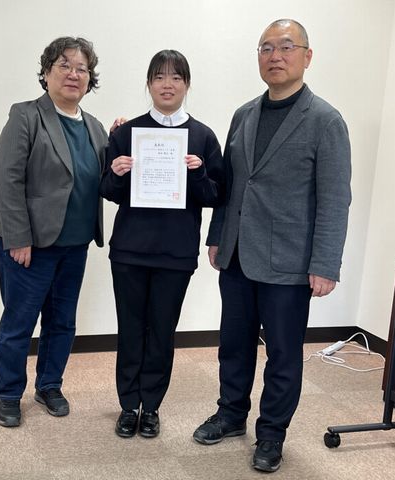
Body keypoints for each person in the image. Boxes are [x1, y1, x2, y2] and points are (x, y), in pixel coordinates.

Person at [192, 19, 351, 473]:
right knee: (233, 344)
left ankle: (271, 434)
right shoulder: (244, 114)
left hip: (289, 261)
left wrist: (325, 263)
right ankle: (230, 415)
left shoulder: (325, 120)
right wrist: (217, 237)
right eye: (266, 48)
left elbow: (335, 198)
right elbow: (230, 185)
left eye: (285, 47)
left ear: (307, 56)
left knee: (282, 353)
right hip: (238, 255)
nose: (275, 56)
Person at [100, 50, 225, 439]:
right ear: (149, 84)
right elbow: (107, 190)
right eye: (159, 77)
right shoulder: (127, 133)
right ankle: (128, 405)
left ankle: (151, 406)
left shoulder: (203, 136)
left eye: (175, 77)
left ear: (187, 84)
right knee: (130, 329)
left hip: (176, 252)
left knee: (162, 331)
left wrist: (198, 173)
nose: (167, 85)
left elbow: (216, 194)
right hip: (130, 250)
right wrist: (117, 173)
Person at [0, 36, 107, 427]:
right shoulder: (26, 116)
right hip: (31, 244)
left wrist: (125, 137)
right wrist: (18, 237)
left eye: (82, 68)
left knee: (63, 322)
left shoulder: (95, 127)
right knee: (19, 322)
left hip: (75, 244)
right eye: (64, 65)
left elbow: (107, 176)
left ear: (90, 78)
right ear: (46, 73)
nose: (73, 74)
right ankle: (8, 393)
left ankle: (49, 385)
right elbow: (7, 178)